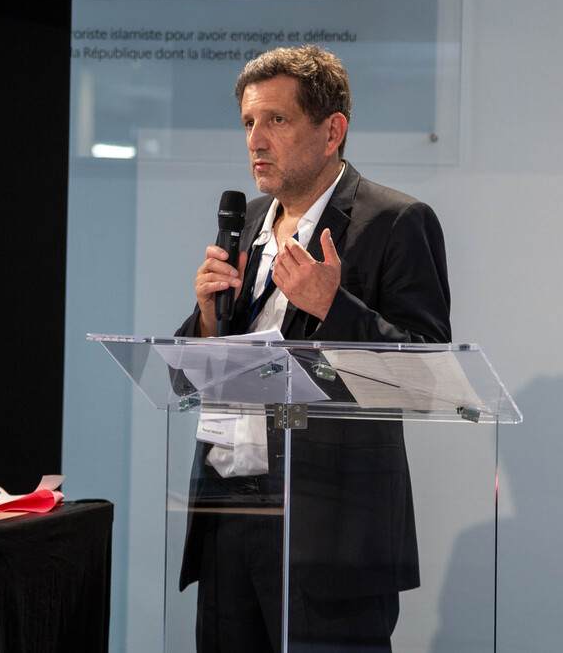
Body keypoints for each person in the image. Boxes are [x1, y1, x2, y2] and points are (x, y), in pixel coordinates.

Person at [176, 45, 451, 652]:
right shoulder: (246, 221)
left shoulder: (395, 222)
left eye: (277, 119)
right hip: (228, 517)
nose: (256, 140)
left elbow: (428, 375)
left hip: (329, 531)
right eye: (249, 122)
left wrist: (335, 307)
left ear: (332, 131)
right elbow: (185, 379)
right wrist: (205, 319)